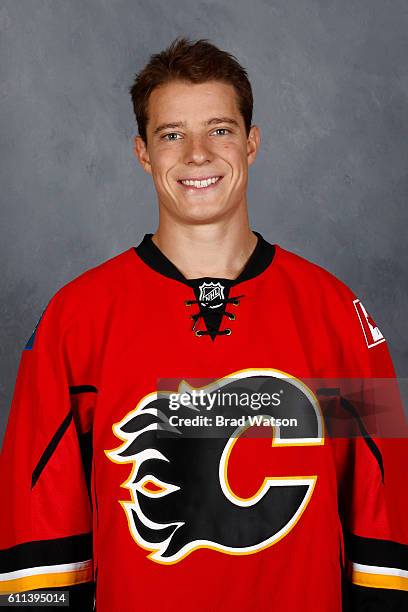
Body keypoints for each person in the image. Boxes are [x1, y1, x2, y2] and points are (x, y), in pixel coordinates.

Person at [0, 36, 407, 612]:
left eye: (219, 129)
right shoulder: (78, 316)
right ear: (143, 152)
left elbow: (383, 501)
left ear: (252, 143)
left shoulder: (337, 311)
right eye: (172, 134)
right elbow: (38, 526)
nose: (197, 153)